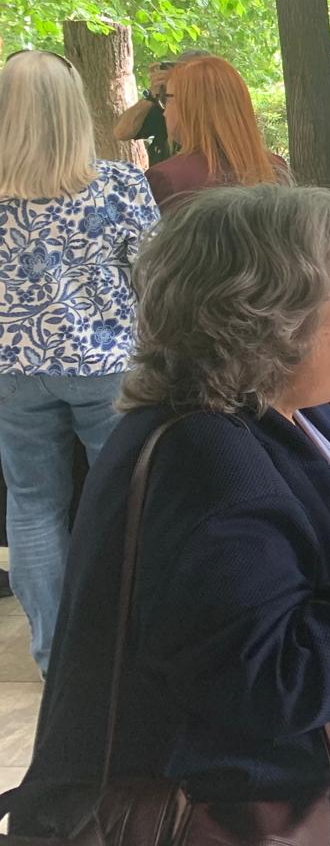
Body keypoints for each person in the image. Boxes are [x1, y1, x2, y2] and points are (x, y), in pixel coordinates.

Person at [9, 184, 330, 845]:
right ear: (271, 317)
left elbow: (308, 519)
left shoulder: (264, 410)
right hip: (234, 819)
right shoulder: (204, 464)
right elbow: (288, 679)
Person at [0, 50, 160, 675]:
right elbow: (153, 276)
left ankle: (56, 659)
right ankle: (130, 646)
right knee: (124, 499)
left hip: (11, 369)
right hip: (107, 362)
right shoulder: (119, 186)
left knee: (33, 505)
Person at [143, 54, 287, 211]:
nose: (164, 113)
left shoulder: (166, 178)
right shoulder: (276, 168)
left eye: (167, 99)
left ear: (191, 106)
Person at [111, 48, 210, 165]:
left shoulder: (217, 111)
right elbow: (121, 132)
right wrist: (152, 95)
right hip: (162, 179)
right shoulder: (164, 107)